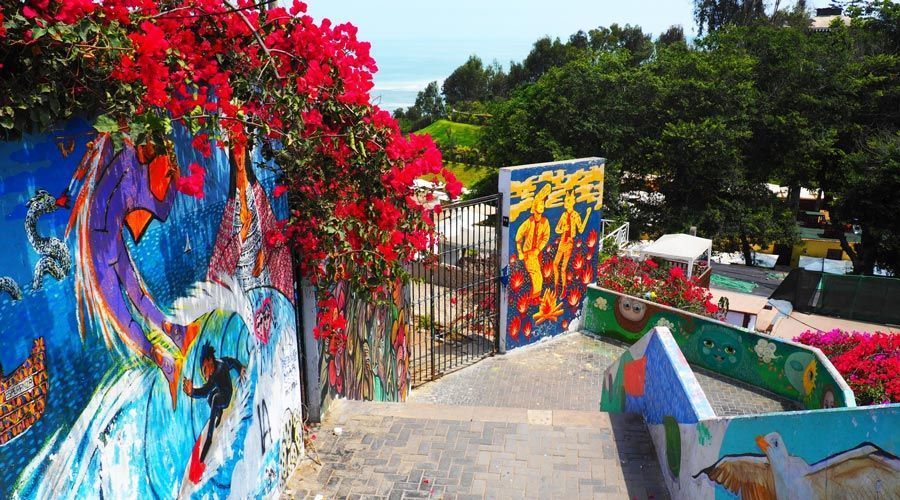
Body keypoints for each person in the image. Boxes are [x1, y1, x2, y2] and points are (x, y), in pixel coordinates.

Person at [183, 344, 246, 462]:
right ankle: (219, 412)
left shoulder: (217, 372)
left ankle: (209, 439)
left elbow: (204, 391)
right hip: (221, 390)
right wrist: (239, 367)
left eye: (205, 370)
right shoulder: (219, 361)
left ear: (209, 360)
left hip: (225, 398)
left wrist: (192, 392)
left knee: (214, 398)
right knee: (211, 396)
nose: (206, 376)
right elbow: (231, 361)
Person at [515, 184, 552, 301]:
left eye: (543, 204)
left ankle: (534, 297)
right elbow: (518, 238)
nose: (542, 206)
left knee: (537, 275)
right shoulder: (528, 222)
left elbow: (546, 237)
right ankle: (535, 298)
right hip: (529, 253)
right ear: (534, 206)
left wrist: (538, 249)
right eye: (539, 204)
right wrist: (520, 252)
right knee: (537, 276)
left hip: (537, 253)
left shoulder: (545, 222)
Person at [553, 190, 592, 297]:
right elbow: (557, 229)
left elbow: (581, 229)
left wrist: (587, 215)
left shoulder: (575, 215)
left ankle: (564, 289)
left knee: (563, 268)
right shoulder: (564, 215)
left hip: (569, 241)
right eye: (565, 201)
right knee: (555, 264)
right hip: (562, 240)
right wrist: (562, 229)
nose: (566, 203)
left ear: (573, 202)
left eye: (568, 201)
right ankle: (556, 287)